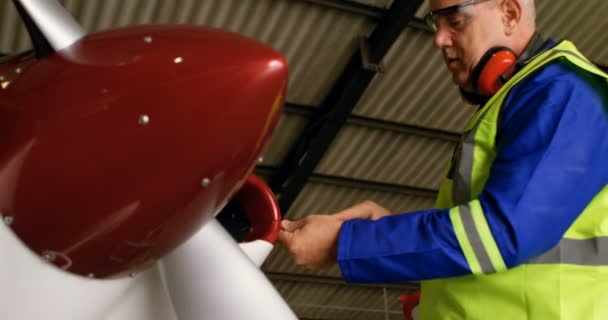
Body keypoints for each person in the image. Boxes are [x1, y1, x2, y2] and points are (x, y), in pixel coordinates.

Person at [278, 0, 608, 319]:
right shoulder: (524, 97)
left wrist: (346, 243)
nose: (439, 38)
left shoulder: (564, 94)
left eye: (456, 20)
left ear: (509, 13)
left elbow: (501, 233)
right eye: (436, 23)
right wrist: (393, 233)